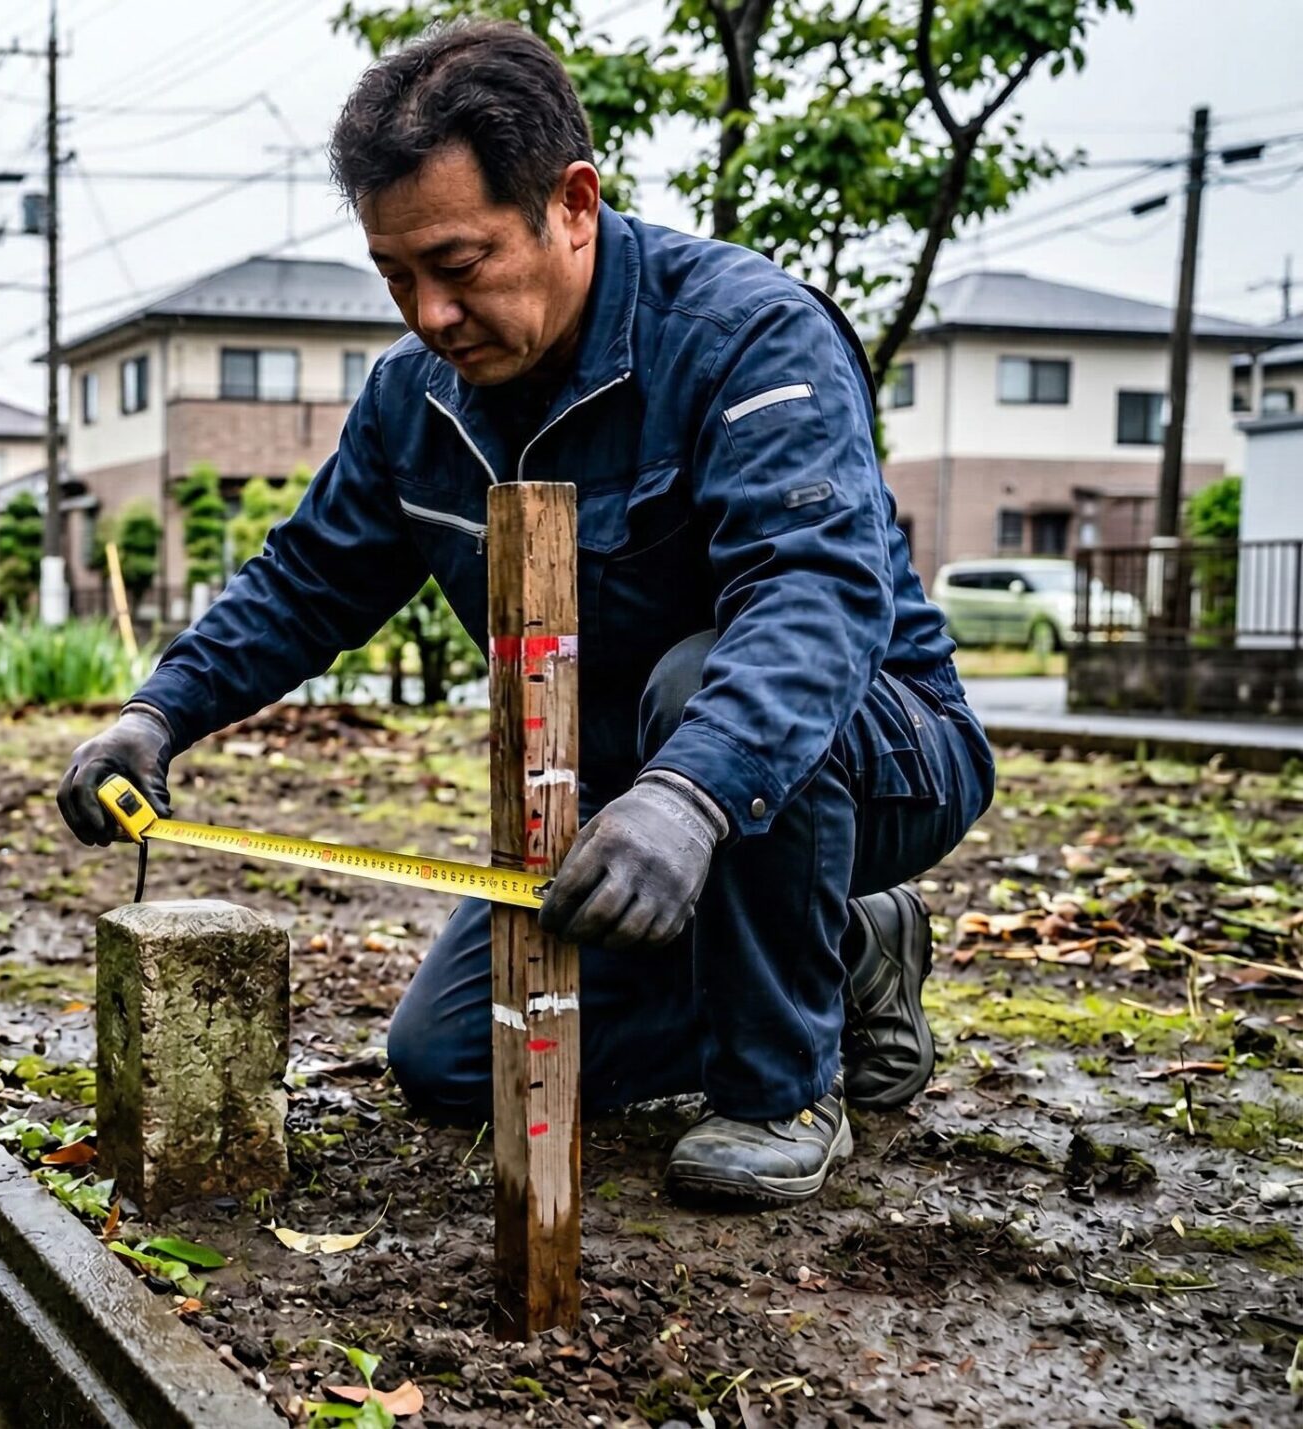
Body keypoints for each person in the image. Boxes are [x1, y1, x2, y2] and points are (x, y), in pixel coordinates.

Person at [54, 19, 995, 1206]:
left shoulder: (745, 335)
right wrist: (156, 714)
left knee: (700, 679)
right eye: (396, 277)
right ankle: (850, 954)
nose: (429, 314)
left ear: (573, 203)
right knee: (448, 1061)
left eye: (458, 264)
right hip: (619, 790)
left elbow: (813, 600)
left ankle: (778, 1087)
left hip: (868, 753)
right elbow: (307, 578)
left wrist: (690, 794)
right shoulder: (416, 402)